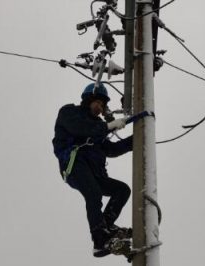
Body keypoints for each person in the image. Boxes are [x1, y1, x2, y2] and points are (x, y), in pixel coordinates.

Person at [52, 83, 133, 257]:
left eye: (103, 106)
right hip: (74, 163)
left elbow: (109, 149)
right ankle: (99, 239)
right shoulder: (69, 113)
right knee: (93, 193)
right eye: (98, 103)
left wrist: (134, 141)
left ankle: (106, 224)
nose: (100, 108)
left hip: (94, 172)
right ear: (88, 100)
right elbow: (79, 128)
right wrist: (107, 127)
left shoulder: (97, 126)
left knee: (122, 190)